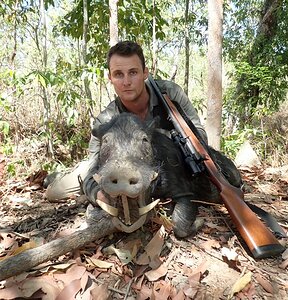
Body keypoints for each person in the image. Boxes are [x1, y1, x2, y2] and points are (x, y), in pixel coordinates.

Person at [45, 41, 207, 202]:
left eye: (133, 72)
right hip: (115, 167)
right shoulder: (106, 119)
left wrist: (165, 147)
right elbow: (93, 168)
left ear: (145, 73)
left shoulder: (170, 94)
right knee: (56, 192)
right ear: (110, 78)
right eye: (118, 74)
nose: (126, 82)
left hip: (165, 163)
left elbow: (199, 138)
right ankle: (59, 175)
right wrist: (98, 196)